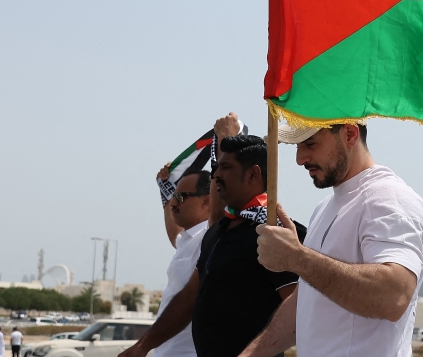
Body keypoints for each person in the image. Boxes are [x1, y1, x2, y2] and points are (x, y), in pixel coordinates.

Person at [239, 122, 423, 357]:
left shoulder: (389, 198)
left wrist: (296, 258)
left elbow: (394, 295)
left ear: (349, 134)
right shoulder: (324, 208)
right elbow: (304, 305)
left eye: (310, 143)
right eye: (298, 146)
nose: (300, 158)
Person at [118, 132, 305, 357]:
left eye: (226, 167)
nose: (216, 174)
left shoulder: (275, 232)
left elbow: (299, 310)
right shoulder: (216, 232)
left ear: (253, 174)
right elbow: (188, 298)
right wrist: (143, 345)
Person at [151, 165, 211, 357]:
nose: (173, 204)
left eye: (180, 197)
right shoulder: (188, 239)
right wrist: (166, 187)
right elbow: (174, 235)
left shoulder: (211, 237)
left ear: (207, 201)